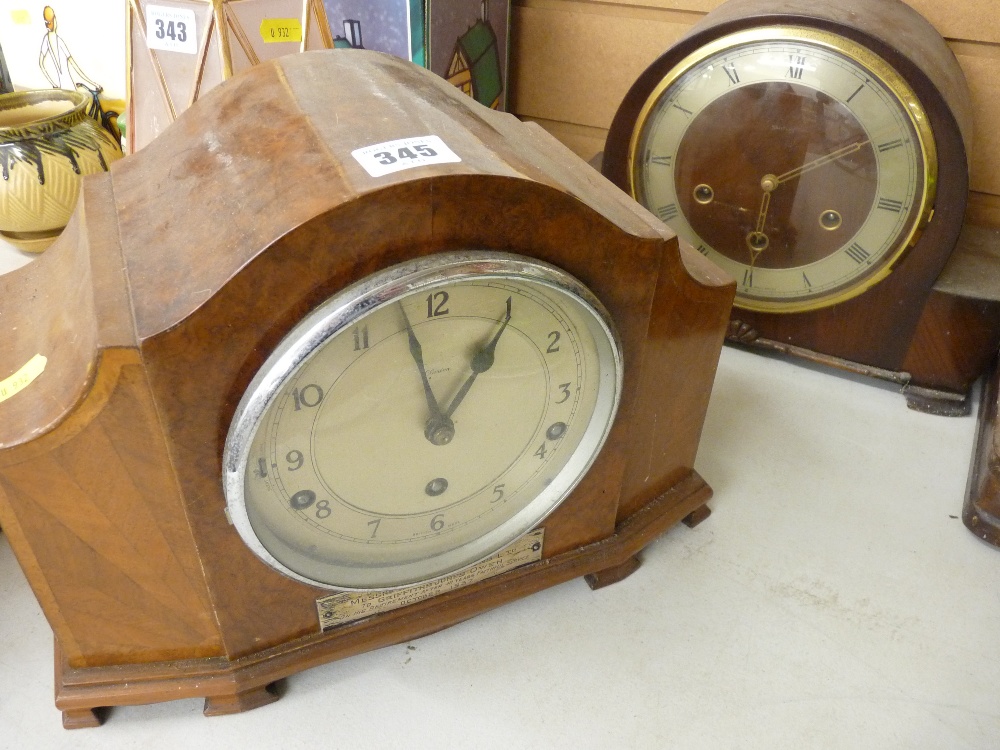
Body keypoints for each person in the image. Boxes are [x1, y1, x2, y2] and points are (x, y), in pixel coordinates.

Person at [38, 6, 100, 91]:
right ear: (54, 21)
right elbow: (75, 66)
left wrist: (53, 84)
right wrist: (93, 83)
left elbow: (41, 64)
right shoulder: (59, 42)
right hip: (69, 86)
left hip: (60, 88)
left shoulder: (46, 39)